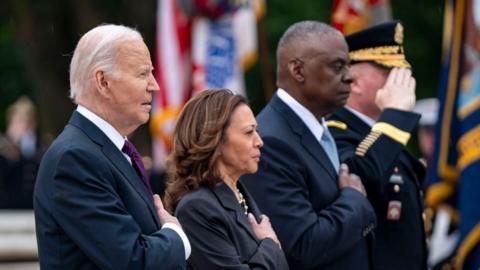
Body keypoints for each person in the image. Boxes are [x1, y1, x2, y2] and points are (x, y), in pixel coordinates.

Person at [33, 24, 190, 270]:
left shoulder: (105, 150)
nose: (155, 85)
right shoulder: (74, 159)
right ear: (103, 81)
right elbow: (134, 261)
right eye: (142, 74)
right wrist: (176, 235)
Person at [241, 21, 376, 270]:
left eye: (348, 65)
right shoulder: (270, 142)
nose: (350, 76)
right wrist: (355, 200)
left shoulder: (320, 129)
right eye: (337, 66)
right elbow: (301, 247)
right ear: (298, 70)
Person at [327, 21, 427, 270]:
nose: (401, 81)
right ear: (355, 81)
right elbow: (360, 173)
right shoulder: (333, 132)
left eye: (402, 72)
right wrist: (394, 115)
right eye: (389, 72)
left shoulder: (381, 132)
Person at [164, 89, 288, 270]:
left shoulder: (240, 193)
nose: (259, 141)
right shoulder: (196, 209)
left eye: (257, 131)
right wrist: (270, 244)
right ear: (215, 139)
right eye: (248, 132)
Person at [0, 96, 43, 208]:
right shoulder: (3, 147)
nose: (24, 126)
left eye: (28, 122)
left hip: (32, 208)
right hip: (7, 210)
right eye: (20, 121)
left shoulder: (40, 148)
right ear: (11, 123)